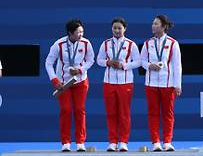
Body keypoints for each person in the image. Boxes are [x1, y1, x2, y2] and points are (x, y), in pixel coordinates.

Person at [45, 19, 95, 152]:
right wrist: (54, 80)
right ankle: (65, 142)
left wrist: (80, 70)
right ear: (70, 33)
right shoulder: (59, 44)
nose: (81, 34)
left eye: (82, 31)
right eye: (78, 32)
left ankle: (80, 142)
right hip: (63, 83)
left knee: (80, 110)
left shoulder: (86, 43)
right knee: (65, 110)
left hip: (80, 81)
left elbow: (91, 60)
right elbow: (49, 62)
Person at [96, 17, 141, 152]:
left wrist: (124, 66)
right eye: (114, 28)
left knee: (124, 113)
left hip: (125, 82)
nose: (116, 30)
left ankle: (123, 142)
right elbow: (98, 60)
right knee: (111, 113)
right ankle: (112, 141)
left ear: (125, 29)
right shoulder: (106, 44)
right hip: (109, 82)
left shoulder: (130, 44)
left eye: (119, 28)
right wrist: (107, 63)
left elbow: (138, 61)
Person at [140, 15, 182, 152]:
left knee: (168, 113)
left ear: (163, 27)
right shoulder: (147, 43)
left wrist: (178, 84)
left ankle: (167, 142)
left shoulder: (172, 43)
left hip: (168, 83)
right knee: (153, 113)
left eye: (156, 24)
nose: (153, 26)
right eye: (152, 23)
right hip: (151, 83)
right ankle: (155, 142)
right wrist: (149, 66)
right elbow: (142, 61)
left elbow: (177, 65)